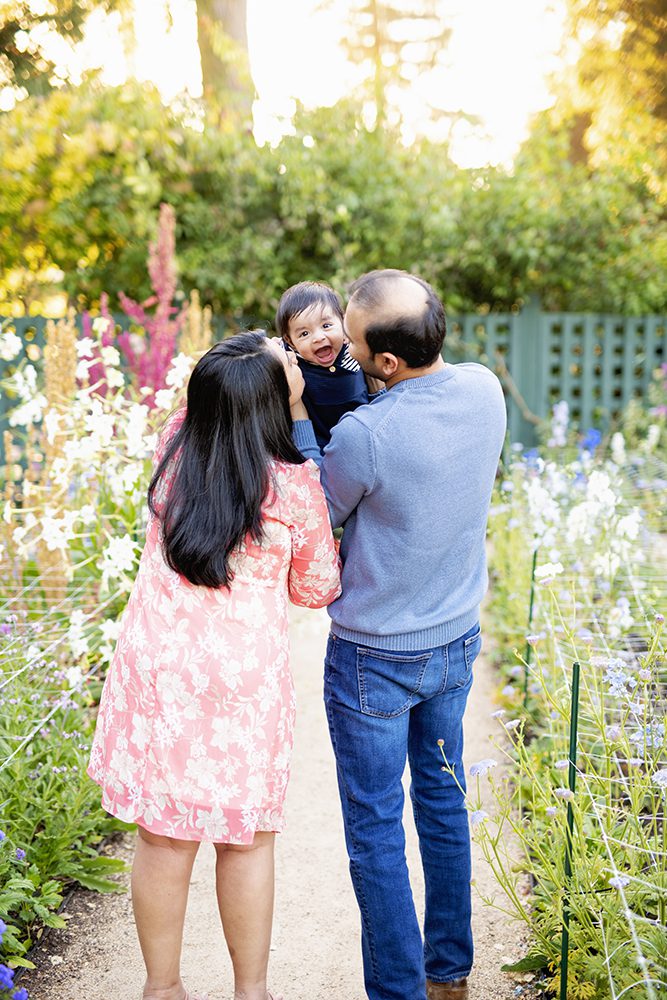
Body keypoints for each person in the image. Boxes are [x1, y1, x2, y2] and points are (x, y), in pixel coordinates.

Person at [87, 332, 341, 1000]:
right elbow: (317, 588)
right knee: (246, 841)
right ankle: (250, 992)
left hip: (159, 672)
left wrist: (256, 375)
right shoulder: (293, 485)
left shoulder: (174, 447)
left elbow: (208, 402)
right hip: (241, 687)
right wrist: (297, 409)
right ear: (274, 400)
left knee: (162, 840)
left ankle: (162, 988)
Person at [289, 270, 507, 1000]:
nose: (342, 351)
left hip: (373, 658)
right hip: (455, 642)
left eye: (351, 342)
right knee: (443, 801)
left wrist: (298, 416)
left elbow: (316, 516)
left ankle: (398, 992)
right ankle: (448, 972)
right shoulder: (484, 389)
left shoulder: (366, 435)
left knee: (376, 826)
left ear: (385, 361)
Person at [275, 280, 373, 452]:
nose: (318, 337)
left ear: (343, 322)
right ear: (290, 341)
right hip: (320, 445)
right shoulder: (295, 366)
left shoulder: (355, 351)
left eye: (326, 326)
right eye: (304, 333)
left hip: (364, 439)